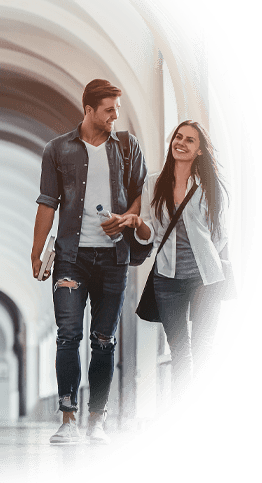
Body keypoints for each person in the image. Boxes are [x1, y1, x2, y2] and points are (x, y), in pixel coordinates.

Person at [31, 79, 147, 445]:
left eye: (117, 109)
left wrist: (126, 219)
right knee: (68, 336)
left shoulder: (127, 147)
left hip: (114, 258)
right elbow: (47, 203)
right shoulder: (57, 149)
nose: (115, 115)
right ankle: (67, 419)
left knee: (103, 340)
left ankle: (96, 419)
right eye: (109, 109)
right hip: (70, 258)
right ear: (89, 110)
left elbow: (139, 197)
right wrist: (36, 253)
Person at [119, 120, 231, 402]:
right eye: (178, 137)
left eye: (189, 140)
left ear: (201, 151)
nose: (180, 143)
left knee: (203, 347)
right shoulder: (154, 182)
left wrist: (204, 257)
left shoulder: (208, 186)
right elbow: (149, 234)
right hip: (167, 279)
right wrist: (137, 224)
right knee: (179, 348)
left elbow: (220, 234)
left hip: (205, 277)